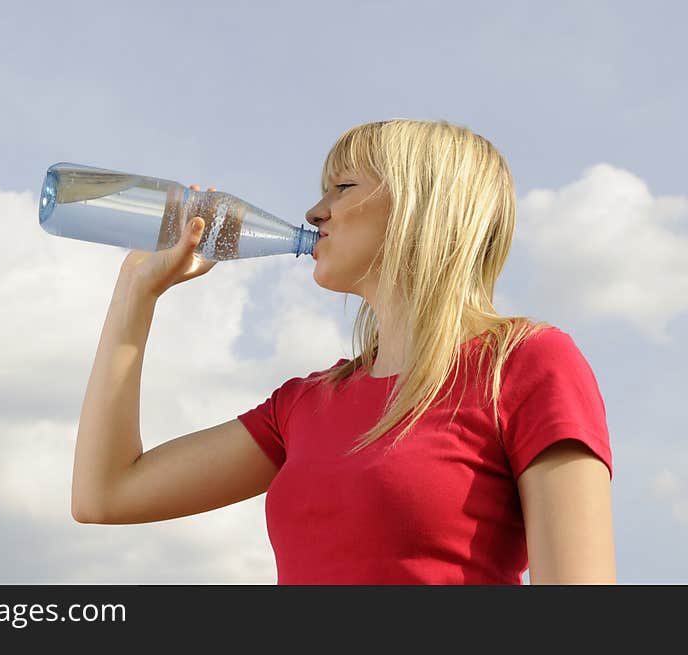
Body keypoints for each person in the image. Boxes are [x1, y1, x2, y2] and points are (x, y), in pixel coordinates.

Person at [70, 119, 616, 585]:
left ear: (421, 204)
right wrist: (135, 292)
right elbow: (107, 495)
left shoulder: (525, 365)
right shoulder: (302, 405)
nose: (313, 212)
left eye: (342, 188)